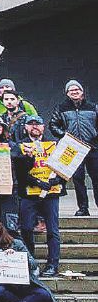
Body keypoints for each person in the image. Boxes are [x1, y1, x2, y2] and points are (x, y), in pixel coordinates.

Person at [14, 114, 64, 276]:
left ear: (43, 127)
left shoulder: (54, 144)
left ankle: (52, 265)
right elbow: (20, 171)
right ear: (25, 127)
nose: (34, 127)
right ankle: (31, 262)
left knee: (53, 231)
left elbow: (66, 167)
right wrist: (36, 181)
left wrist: (57, 180)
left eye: (38, 124)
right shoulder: (20, 145)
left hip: (51, 194)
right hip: (29, 194)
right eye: (31, 124)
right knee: (27, 228)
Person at [0, 218, 59, 302]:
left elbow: (33, 264)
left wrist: (18, 256)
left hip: (21, 283)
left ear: (1, 229)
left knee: (44, 294)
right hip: (2, 284)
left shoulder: (16, 243)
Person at [47, 80, 97, 215]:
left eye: (77, 90)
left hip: (93, 148)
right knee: (78, 180)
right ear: (67, 93)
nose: (75, 92)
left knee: (96, 178)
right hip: (73, 149)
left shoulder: (93, 107)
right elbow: (53, 125)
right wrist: (65, 136)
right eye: (71, 90)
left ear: (82, 92)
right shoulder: (61, 108)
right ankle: (83, 208)